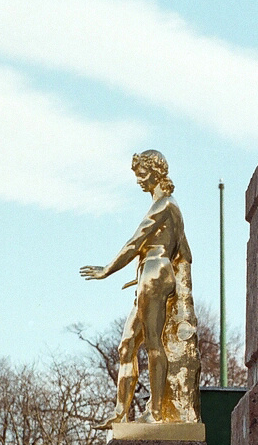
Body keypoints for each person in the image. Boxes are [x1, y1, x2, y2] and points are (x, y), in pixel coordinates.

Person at [80, 151, 200, 427]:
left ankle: (156, 413)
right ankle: (120, 414)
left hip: (154, 274)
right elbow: (183, 251)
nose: (138, 181)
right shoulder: (166, 206)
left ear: (157, 173)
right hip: (150, 274)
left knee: (153, 344)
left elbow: (135, 243)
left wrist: (107, 270)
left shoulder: (166, 205)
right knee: (127, 346)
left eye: (142, 174)